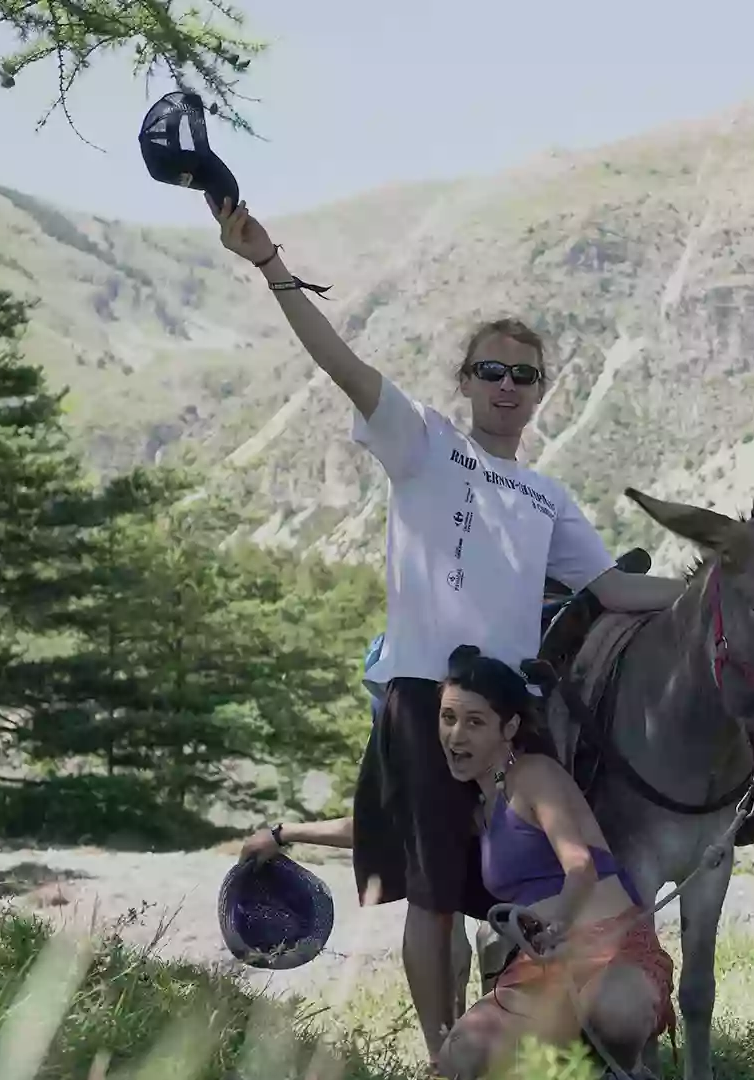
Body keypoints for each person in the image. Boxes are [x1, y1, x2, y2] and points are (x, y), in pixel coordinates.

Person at [209, 196, 685, 1064]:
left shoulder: (549, 497)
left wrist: (710, 596)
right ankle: (445, 1054)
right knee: (431, 896)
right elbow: (344, 367)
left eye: (524, 376)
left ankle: (521, 1036)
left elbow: (614, 588)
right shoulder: (423, 442)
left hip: (517, 708)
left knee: (508, 882)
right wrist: (273, 267)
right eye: (491, 371)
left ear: (543, 392)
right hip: (427, 698)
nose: (507, 388)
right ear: (464, 380)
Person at [241, 645, 673, 1080]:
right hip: (543, 967)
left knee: (614, 1013)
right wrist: (283, 834)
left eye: (474, 722)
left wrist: (557, 921)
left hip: (612, 945)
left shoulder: (535, 776)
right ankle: (575, 1063)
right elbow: (383, 832)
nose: (456, 735)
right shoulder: (474, 805)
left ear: (510, 727)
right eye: (448, 719)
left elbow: (581, 868)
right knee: (461, 1054)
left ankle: (620, 1067)